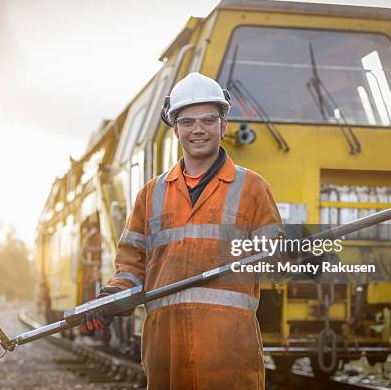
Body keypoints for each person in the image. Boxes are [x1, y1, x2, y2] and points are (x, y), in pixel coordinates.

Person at [82, 72, 282, 389]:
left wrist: (283, 254)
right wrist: (115, 296)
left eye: (207, 120)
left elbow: (276, 262)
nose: (198, 130)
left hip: (228, 352)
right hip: (166, 352)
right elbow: (132, 264)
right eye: (187, 122)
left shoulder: (253, 188)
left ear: (223, 124)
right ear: (175, 128)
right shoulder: (151, 194)